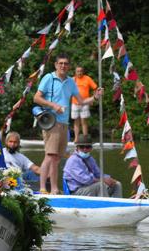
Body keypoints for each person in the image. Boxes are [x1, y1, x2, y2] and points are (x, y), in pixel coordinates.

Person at [33, 53, 103, 194]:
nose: (63, 66)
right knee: (50, 155)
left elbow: (81, 101)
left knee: (57, 158)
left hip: (64, 123)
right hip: (51, 121)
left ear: (69, 66)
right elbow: (36, 98)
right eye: (61, 63)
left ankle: (53, 188)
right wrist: (53, 105)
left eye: (66, 63)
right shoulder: (49, 78)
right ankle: (45, 188)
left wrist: (95, 97)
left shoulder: (71, 81)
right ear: (56, 65)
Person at [71, 66, 98, 142]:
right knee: (76, 121)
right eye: (78, 71)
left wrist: (93, 98)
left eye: (81, 71)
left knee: (84, 121)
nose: (79, 72)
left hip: (85, 103)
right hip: (74, 103)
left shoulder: (87, 78)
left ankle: (85, 138)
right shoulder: (72, 80)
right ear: (75, 72)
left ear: (83, 72)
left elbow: (95, 88)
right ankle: (76, 138)